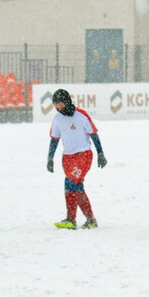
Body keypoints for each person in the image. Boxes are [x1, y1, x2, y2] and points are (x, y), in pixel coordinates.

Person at [47, 89, 107, 229]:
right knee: (77, 187)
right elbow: (54, 139)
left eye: (60, 103)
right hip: (67, 157)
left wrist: (100, 153)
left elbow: (94, 134)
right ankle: (91, 220)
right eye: (55, 104)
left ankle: (71, 219)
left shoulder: (81, 115)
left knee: (69, 183)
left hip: (83, 156)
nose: (57, 106)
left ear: (66, 102)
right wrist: (50, 158)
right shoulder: (57, 118)